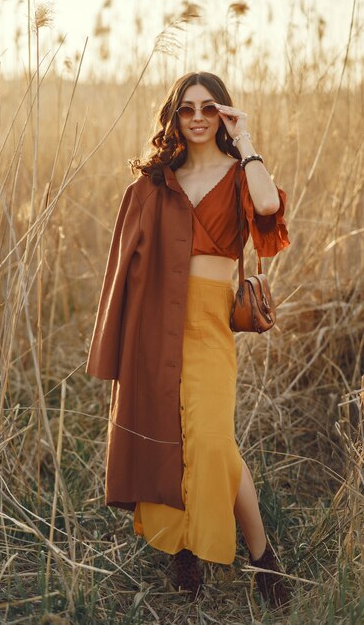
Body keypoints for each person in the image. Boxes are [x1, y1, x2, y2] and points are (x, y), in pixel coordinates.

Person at [85, 71, 291, 606]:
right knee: (168, 432)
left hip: (209, 321)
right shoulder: (158, 181)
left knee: (213, 439)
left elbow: (268, 209)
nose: (197, 117)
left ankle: (263, 556)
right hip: (158, 320)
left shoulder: (241, 173)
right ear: (173, 116)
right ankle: (184, 551)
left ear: (222, 113)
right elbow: (123, 263)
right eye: (187, 109)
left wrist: (245, 141)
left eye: (209, 108)